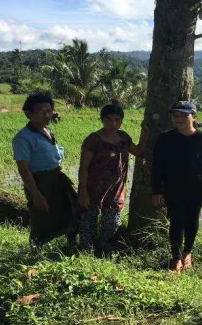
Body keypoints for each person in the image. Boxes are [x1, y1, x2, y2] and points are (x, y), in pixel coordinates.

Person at [151, 101, 202, 273]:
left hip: (197, 188)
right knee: (176, 221)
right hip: (173, 187)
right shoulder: (165, 138)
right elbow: (157, 167)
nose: (179, 119)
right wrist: (157, 191)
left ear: (194, 117)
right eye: (176, 115)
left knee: (192, 220)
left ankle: (188, 253)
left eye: (184, 115)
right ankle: (176, 258)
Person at [78, 102, 150, 254]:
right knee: (88, 220)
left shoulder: (123, 137)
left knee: (111, 223)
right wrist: (82, 191)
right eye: (109, 120)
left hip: (116, 189)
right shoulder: (93, 140)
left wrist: (145, 136)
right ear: (102, 120)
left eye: (118, 120)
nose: (113, 123)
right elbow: (83, 167)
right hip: (93, 188)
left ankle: (104, 251)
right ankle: (86, 252)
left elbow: (137, 151)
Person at [12, 92, 79, 251]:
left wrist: (53, 114)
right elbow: (23, 169)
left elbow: (50, 115)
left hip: (57, 177)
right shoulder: (23, 138)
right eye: (41, 111)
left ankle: (71, 245)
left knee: (73, 208)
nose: (46, 115)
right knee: (42, 216)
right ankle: (36, 250)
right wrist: (36, 194)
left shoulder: (46, 129)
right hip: (40, 182)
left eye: (49, 111)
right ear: (28, 113)